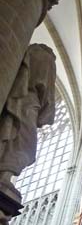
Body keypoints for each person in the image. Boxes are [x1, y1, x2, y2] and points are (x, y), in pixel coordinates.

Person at [0, 44, 55, 193]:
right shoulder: (47, 59)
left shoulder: (28, 53)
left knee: (12, 132)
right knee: (25, 143)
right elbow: (47, 94)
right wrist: (46, 112)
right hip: (30, 104)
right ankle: (5, 176)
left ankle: (4, 176)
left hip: (17, 97)